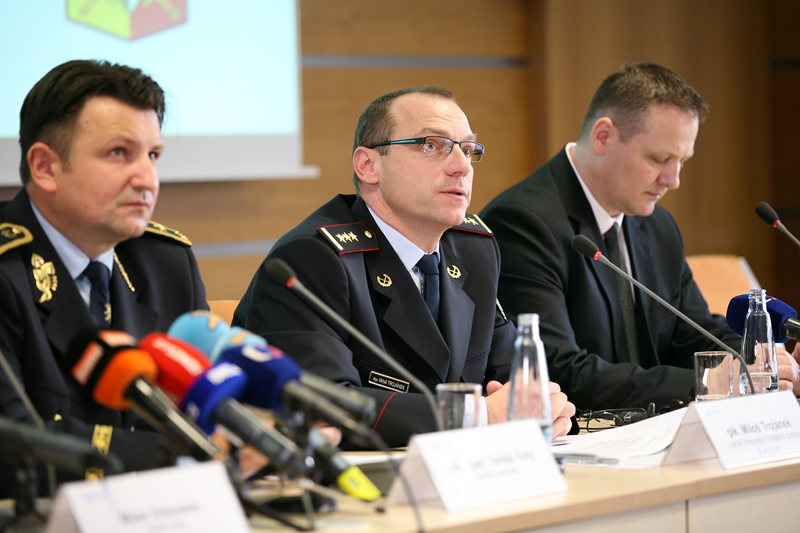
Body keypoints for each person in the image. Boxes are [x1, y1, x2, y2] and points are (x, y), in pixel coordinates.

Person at [234, 87, 575, 447]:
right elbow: (323, 405)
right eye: (431, 145)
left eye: (467, 149)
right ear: (368, 166)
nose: (461, 167)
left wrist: (544, 409)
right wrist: (479, 415)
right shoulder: (312, 259)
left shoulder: (474, 249)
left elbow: (515, 382)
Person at [480, 62, 799, 412]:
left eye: (682, 161)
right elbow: (559, 371)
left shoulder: (658, 225)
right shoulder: (522, 222)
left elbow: (693, 333)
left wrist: (763, 362)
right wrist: (717, 381)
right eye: (660, 158)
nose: (673, 180)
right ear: (604, 136)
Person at [0, 60, 208, 494]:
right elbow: (15, 446)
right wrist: (181, 455)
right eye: (119, 153)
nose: (147, 179)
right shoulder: (7, 274)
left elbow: (203, 408)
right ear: (45, 167)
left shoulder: (167, 265)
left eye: (152, 155)